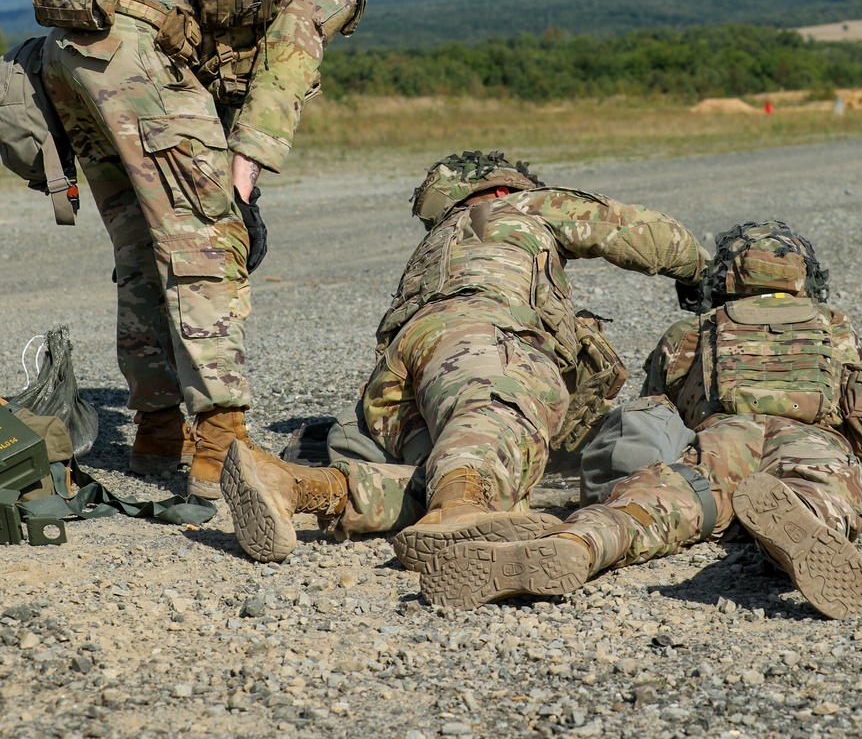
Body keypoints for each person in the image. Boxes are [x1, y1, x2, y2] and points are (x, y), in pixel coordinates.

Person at [40, 0, 430, 497]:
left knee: (143, 248)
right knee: (206, 243)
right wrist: (244, 171)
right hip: (135, 53)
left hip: (71, 49)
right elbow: (288, 61)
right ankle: (222, 447)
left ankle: (160, 430)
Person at [221, 149, 709, 562]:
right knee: (477, 466)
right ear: (500, 189)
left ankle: (297, 486)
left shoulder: (437, 244)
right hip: (481, 343)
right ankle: (456, 521)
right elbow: (642, 233)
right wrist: (705, 275)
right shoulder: (518, 207)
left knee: (458, 474)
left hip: (398, 380)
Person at [418, 221, 862, 619]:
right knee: (822, 497)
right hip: (810, 439)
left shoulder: (691, 331)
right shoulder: (833, 328)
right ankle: (795, 528)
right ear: (804, 276)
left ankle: (582, 542)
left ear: (725, 278)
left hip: (722, 439)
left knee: (655, 503)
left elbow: (657, 412)